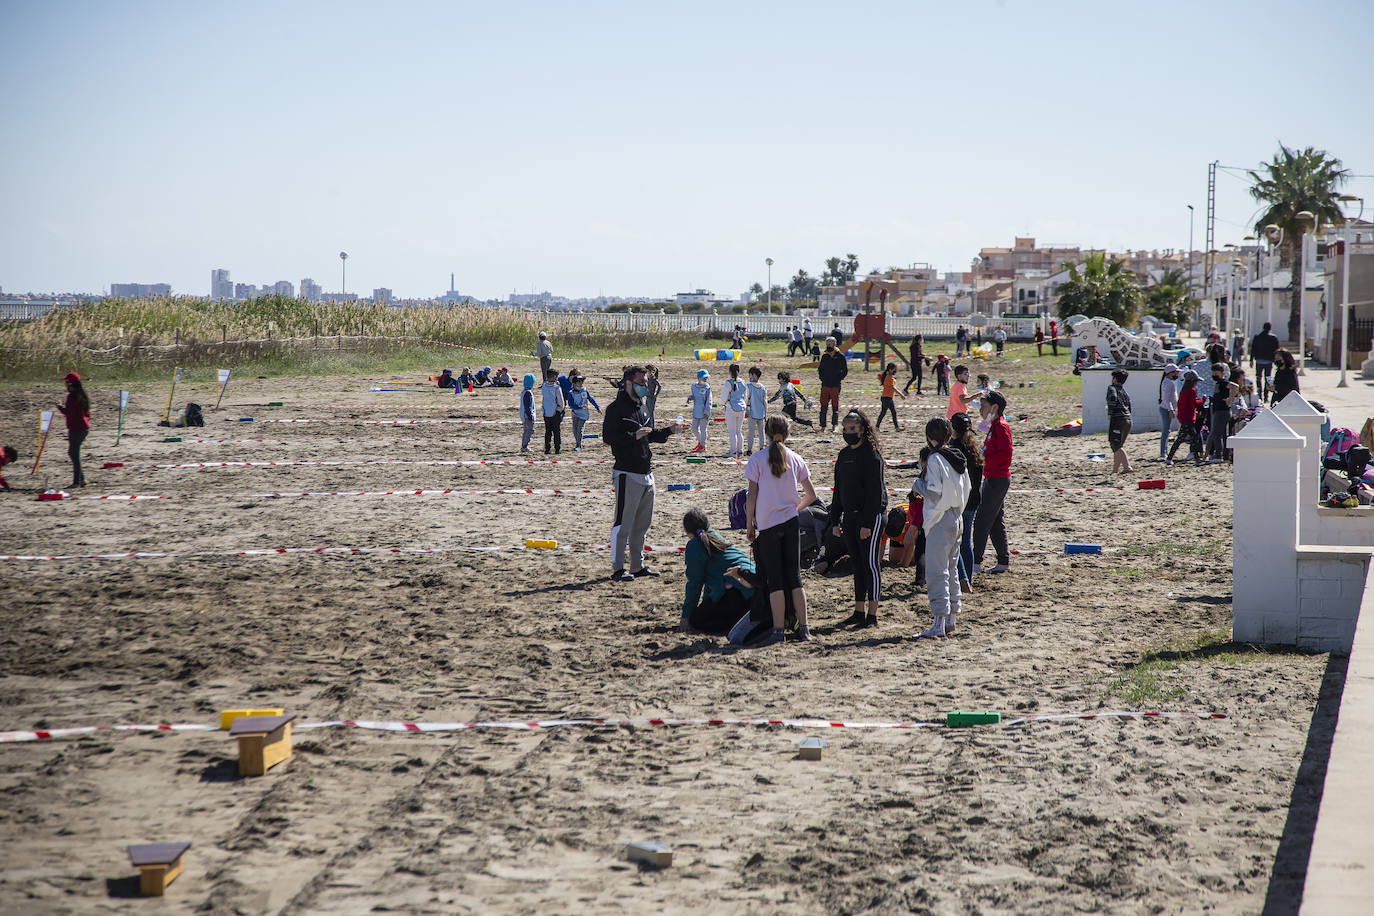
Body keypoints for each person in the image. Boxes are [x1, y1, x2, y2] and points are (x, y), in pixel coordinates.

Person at [603, 365, 681, 581]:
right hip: (626, 474)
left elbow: (649, 435)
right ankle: (618, 568)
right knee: (623, 523)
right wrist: (633, 436)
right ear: (628, 383)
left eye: (646, 383)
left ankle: (637, 566)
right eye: (641, 383)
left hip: (647, 474)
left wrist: (669, 431)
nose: (645, 386)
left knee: (642, 524)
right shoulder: (616, 409)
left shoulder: (643, 408)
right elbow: (608, 438)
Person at [745, 415, 817, 645]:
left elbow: (751, 496)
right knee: (795, 577)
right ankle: (804, 629)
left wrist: (749, 524)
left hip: (767, 524)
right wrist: (794, 508)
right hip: (790, 522)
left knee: (775, 580)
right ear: (786, 434)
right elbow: (812, 496)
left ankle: (778, 631)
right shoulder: (796, 458)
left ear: (766, 433)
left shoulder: (757, 459)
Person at [910, 417, 971, 638]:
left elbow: (934, 493)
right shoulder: (958, 457)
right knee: (952, 570)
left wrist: (918, 485)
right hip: (957, 516)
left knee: (937, 572)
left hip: (940, 519)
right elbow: (968, 488)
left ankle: (938, 623)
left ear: (929, 437)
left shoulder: (935, 459)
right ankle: (951, 619)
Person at [830, 410, 888, 628]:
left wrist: (866, 523)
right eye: (845, 429)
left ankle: (872, 615)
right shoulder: (844, 455)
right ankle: (858, 610)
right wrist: (834, 519)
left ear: (863, 429)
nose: (848, 432)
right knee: (857, 565)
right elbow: (839, 490)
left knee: (871, 565)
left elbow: (875, 494)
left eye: (852, 429)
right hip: (849, 518)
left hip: (870, 520)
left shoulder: (872, 455)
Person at [680, 508, 755, 635]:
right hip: (754, 587)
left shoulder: (694, 545)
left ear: (687, 531)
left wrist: (686, 615)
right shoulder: (715, 536)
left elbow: (695, 582)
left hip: (740, 592)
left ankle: (735, 624)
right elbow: (712, 582)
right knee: (707, 610)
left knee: (696, 621)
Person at [972, 389, 1012, 574]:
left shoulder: (1001, 427)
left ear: (994, 407)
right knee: (995, 521)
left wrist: (984, 460)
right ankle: (1003, 562)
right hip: (992, 477)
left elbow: (1006, 454)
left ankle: (975, 563)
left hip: (997, 479)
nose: (981, 409)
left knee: (981, 521)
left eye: (984, 405)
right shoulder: (994, 425)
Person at [949, 412, 983, 594]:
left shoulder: (954, 447)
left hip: (961, 501)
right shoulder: (974, 445)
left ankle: (963, 581)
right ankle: (967, 578)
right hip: (974, 500)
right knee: (966, 542)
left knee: (956, 543)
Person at [56, 372, 91, 488]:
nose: (65, 385)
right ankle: (81, 479)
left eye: (66, 382)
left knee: (73, 454)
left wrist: (60, 407)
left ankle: (77, 481)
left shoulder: (72, 396)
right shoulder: (82, 394)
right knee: (73, 453)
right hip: (83, 428)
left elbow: (69, 413)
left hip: (76, 429)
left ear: (70, 384)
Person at [1166, 370, 1204, 466]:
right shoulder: (1192, 391)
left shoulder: (1183, 390)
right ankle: (1170, 457)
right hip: (1188, 418)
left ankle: (1196, 458)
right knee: (1186, 438)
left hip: (1183, 417)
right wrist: (1202, 400)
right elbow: (1193, 404)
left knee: (1191, 438)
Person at [1207, 362, 1238, 462]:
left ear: (1222, 373)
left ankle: (1218, 456)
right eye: (1213, 373)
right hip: (1219, 410)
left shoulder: (1224, 382)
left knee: (1216, 434)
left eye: (1216, 373)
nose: (1215, 375)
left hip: (1222, 411)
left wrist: (1230, 399)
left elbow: (1235, 387)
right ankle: (1225, 456)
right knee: (1223, 434)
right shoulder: (1218, 383)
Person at [817, 337, 848, 430]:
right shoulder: (825, 356)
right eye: (827, 343)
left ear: (835, 344)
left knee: (835, 407)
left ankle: (834, 426)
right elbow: (820, 369)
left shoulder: (840, 356)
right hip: (825, 385)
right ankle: (822, 426)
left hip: (835, 385)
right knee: (823, 407)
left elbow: (845, 370)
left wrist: (839, 378)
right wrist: (822, 378)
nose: (828, 345)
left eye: (830, 343)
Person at [1106, 369, 1133, 474]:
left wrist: (1110, 412)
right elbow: (1130, 405)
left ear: (1115, 379)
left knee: (1115, 444)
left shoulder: (1112, 388)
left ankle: (1127, 466)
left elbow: (1112, 398)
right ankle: (1115, 470)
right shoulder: (1124, 391)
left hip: (1118, 419)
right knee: (1118, 446)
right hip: (1128, 419)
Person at [567, 372, 601, 451]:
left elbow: (591, 399)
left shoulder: (585, 390)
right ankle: (578, 442)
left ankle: (578, 445)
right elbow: (570, 404)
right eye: (579, 381)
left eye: (582, 381)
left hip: (583, 414)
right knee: (575, 430)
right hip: (575, 413)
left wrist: (597, 407)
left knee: (580, 429)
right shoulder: (571, 393)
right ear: (575, 383)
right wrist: (579, 407)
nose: (581, 383)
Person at [721, 363, 747, 458]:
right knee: (738, 431)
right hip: (742, 408)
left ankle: (732, 451)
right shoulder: (743, 382)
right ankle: (740, 450)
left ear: (730, 371)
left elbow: (723, 398)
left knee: (732, 431)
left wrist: (725, 403)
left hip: (731, 408)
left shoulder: (728, 383)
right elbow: (745, 396)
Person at [1250, 321, 1280, 399]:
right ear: (1270, 328)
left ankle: (1259, 394)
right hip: (1269, 361)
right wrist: (1277, 361)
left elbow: (1253, 349)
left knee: (1258, 377)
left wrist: (1251, 360)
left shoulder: (1257, 337)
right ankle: (1266, 395)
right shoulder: (1273, 338)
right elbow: (1277, 350)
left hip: (1259, 360)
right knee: (1268, 378)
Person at [687, 368, 713, 453]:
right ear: (698, 378)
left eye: (706, 378)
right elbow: (695, 396)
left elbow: (709, 401)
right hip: (696, 411)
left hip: (705, 412)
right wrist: (690, 398)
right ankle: (701, 443)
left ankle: (703, 446)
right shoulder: (693, 387)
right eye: (703, 378)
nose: (705, 380)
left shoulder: (707, 388)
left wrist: (707, 412)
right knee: (694, 428)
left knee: (703, 429)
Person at [1157, 363, 1180, 461]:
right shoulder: (1168, 383)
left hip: (1167, 408)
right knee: (1166, 431)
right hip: (1166, 409)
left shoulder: (1168, 382)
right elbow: (1166, 399)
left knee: (1167, 431)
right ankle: (1163, 453)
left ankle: (1164, 452)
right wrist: (1170, 409)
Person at [540, 368, 566, 454]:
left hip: (546, 411)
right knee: (556, 431)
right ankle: (557, 448)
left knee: (548, 431)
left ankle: (547, 448)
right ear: (554, 377)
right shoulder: (556, 388)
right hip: (555, 412)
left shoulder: (544, 385)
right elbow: (560, 401)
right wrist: (560, 409)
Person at [745, 366, 768, 452]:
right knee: (761, 432)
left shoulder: (749, 386)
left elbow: (747, 399)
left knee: (751, 432)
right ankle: (762, 448)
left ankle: (749, 449)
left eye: (750, 375)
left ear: (754, 375)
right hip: (761, 413)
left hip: (752, 412)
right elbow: (765, 402)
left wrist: (746, 411)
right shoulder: (763, 387)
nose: (749, 377)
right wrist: (766, 413)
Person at [876, 362, 903, 430]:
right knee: (883, 413)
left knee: (893, 412)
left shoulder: (887, 376)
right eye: (894, 369)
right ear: (890, 370)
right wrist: (901, 394)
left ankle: (897, 427)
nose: (895, 371)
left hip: (888, 397)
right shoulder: (889, 377)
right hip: (886, 398)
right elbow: (893, 387)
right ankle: (876, 427)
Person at [519, 373, 537, 453]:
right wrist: (530, 417)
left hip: (524, 415)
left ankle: (524, 445)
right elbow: (528, 406)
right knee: (528, 431)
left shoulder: (524, 391)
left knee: (527, 430)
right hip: (527, 416)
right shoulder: (528, 393)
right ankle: (524, 446)